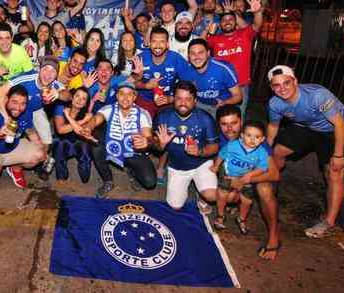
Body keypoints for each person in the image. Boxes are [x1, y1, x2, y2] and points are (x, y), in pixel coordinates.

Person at [267, 65, 344, 238]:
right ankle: (269, 192)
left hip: (332, 129)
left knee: (334, 172)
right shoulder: (275, 103)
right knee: (276, 152)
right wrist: (264, 152)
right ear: (271, 88)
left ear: (295, 81)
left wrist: (338, 155)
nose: (282, 88)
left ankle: (329, 222)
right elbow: (273, 126)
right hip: (305, 127)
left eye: (286, 83)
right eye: (276, 85)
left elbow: (340, 125)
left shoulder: (317, 96)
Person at [216, 104, 281, 260]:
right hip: (231, 177)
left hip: (257, 177)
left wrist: (247, 179)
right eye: (224, 124)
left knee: (264, 190)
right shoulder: (219, 138)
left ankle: (274, 236)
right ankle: (231, 207)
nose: (230, 129)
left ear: (241, 122)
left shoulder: (254, 139)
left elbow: (275, 174)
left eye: (234, 123)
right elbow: (218, 162)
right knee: (217, 195)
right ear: (218, 124)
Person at [0, 85, 47, 213]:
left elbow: (30, 131)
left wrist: (43, 148)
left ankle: (15, 168)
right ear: (6, 99)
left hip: (12, 148)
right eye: (14, 102)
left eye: (23, 103)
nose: (18, 108)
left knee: (40, 154)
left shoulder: (26, 113)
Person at [0, 56, 68, 185]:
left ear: (57, 75)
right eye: (45, 69)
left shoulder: (55, 85)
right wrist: (7, 118)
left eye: (53, 71)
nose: (48, 74)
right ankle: (0, 162)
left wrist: (58, 94)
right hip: (16, 109)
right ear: (39, 69)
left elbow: (68, 96)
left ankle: (18, 167)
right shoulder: (27, 77)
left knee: (46, 143)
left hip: (35, 111)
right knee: (7, 139)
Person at [79, 81, 156, 197]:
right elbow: (96, 119)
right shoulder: (109, 108)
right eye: (121, 94)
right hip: (113, 147)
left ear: (135, 97)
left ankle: (132, 170)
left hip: (133, 152)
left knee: (150, 182)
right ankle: (107, 181)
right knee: (96, 147)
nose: (125, 98)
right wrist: (88, 128)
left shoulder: (143, 114)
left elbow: (148, 136)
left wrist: (147, 142)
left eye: (129, 94)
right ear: (117, 96)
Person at [154, 81, 219, 211]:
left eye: (188, 99)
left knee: (212, 196)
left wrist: (199, 151)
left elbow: (215, 147)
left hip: (201, 163)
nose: (183, 103)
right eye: (179, 98)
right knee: (175, 206)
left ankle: (201, 195)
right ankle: (186, 185)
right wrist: (160, 145)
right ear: (173, 99)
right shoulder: (163, 117)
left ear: (195, 100)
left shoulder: (206, 118)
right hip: (177, 167)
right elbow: (156, 146)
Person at [207, 0, 267, 116]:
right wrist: (209, 32)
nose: (227, 22)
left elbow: (257, 24)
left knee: (237, 119)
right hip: (220, 87)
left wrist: (258, 12)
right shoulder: (215, 39)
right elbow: (201, 46)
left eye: (230, 19)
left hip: (241, 86)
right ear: (220, 24)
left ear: (236, 22)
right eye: (224, 20)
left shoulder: (245, 35)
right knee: (217, 117)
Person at [210, 121, 270, 234]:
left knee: (247, 201)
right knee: (222, 194)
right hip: (229, 173)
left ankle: (241, 219)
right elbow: (221, 155)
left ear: (262, 139)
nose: (252, 140)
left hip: (246, 177)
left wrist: (250, 175)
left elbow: (262, 168)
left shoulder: (262, 152)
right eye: (249, 135)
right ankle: (220, 215)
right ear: (242, 135)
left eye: (257, 137)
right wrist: (216, 165)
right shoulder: (233, 145)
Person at [132, 27, 191, 118]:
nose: (158, 45)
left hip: (168, 99)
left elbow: (188, 85)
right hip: (145, 99)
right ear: (150, 43)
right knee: (141, 127)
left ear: (167, 44)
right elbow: (132, 84)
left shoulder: (177, 59)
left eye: (162, 41)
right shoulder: (140, 58)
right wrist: (146, 85)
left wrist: (171, 99)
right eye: (154, 41)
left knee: (170, 127)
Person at [185, 38, 242, 118]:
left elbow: (238, 96)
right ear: (188, 56)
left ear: (208, 53)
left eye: (200, 52)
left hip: (223, 104)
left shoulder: (223, 68)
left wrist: (225, 103)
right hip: (200, 105)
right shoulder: (186, 70)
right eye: (192, 53)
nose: (196, 57)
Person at [52, 87, 93, 183]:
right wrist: (82, 121)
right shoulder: (60, 108)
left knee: (85, 145)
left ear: (85, 104)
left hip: (79, 142)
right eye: (77, 96)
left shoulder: (87, 115)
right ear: (72, 97)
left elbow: (83, 132)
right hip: (63, 142)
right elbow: (61, 130)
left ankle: (84, 175)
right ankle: (61, 176)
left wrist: (70, 118)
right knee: (59, 143)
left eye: (83, 99)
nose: (79, 100)